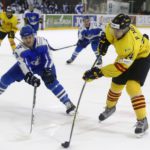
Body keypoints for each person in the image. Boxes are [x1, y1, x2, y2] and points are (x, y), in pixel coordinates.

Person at [83, 14, 150, 136]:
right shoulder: (112, 27)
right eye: (114, 28)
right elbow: (108, 33)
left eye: (118, 30)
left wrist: (99, 72)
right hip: (126, 57)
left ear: (125, 29)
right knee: (116, 84)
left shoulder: (129, 44)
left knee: (132, 86)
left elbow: (119, 68)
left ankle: (142, 120)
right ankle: (110, 108)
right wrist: (105, 41)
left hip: (142, 56)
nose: (115, 32)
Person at [0, 25, 76, 114]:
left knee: (51, 81)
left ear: (33, 35)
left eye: (30, 37)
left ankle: (67, 102)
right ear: (21, 38)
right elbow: (24, 65)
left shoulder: (42, 42)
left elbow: (48, 58)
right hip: (28, 66)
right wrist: (29, 76)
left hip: (43, 65)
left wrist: (48, 70)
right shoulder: (19, 50)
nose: (28, 40)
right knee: (5, 78)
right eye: (25, 38)